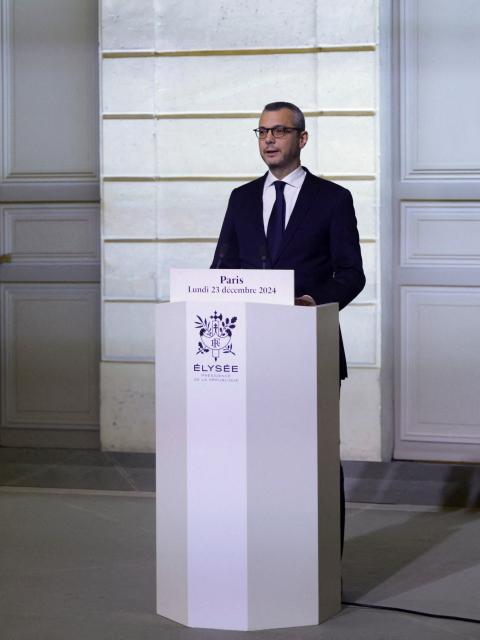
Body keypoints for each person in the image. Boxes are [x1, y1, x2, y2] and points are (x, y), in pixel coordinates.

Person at [211, 101, 366, 553]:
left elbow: (351, 273)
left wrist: (313, 302)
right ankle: (263, 556)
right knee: (254, 458)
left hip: (308, 347)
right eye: (261, 132)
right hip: (248, 352)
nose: (269, 140)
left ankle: (322, 565)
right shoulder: (241, 198)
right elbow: (222, 268)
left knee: (311, 459)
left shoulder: (333, 199)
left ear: (302, 139)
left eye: (279, 131)